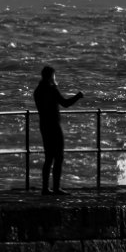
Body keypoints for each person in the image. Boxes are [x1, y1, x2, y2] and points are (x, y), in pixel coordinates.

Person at [33, 66, 83, 195]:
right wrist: (78, 96)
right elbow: (65, 103)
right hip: (54, 126)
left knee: (48, 157)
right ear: (51, 76)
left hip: (44, 125)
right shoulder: (52, 89)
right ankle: (56, 188)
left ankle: (45, 188)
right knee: (59, 157)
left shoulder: (37, 90)